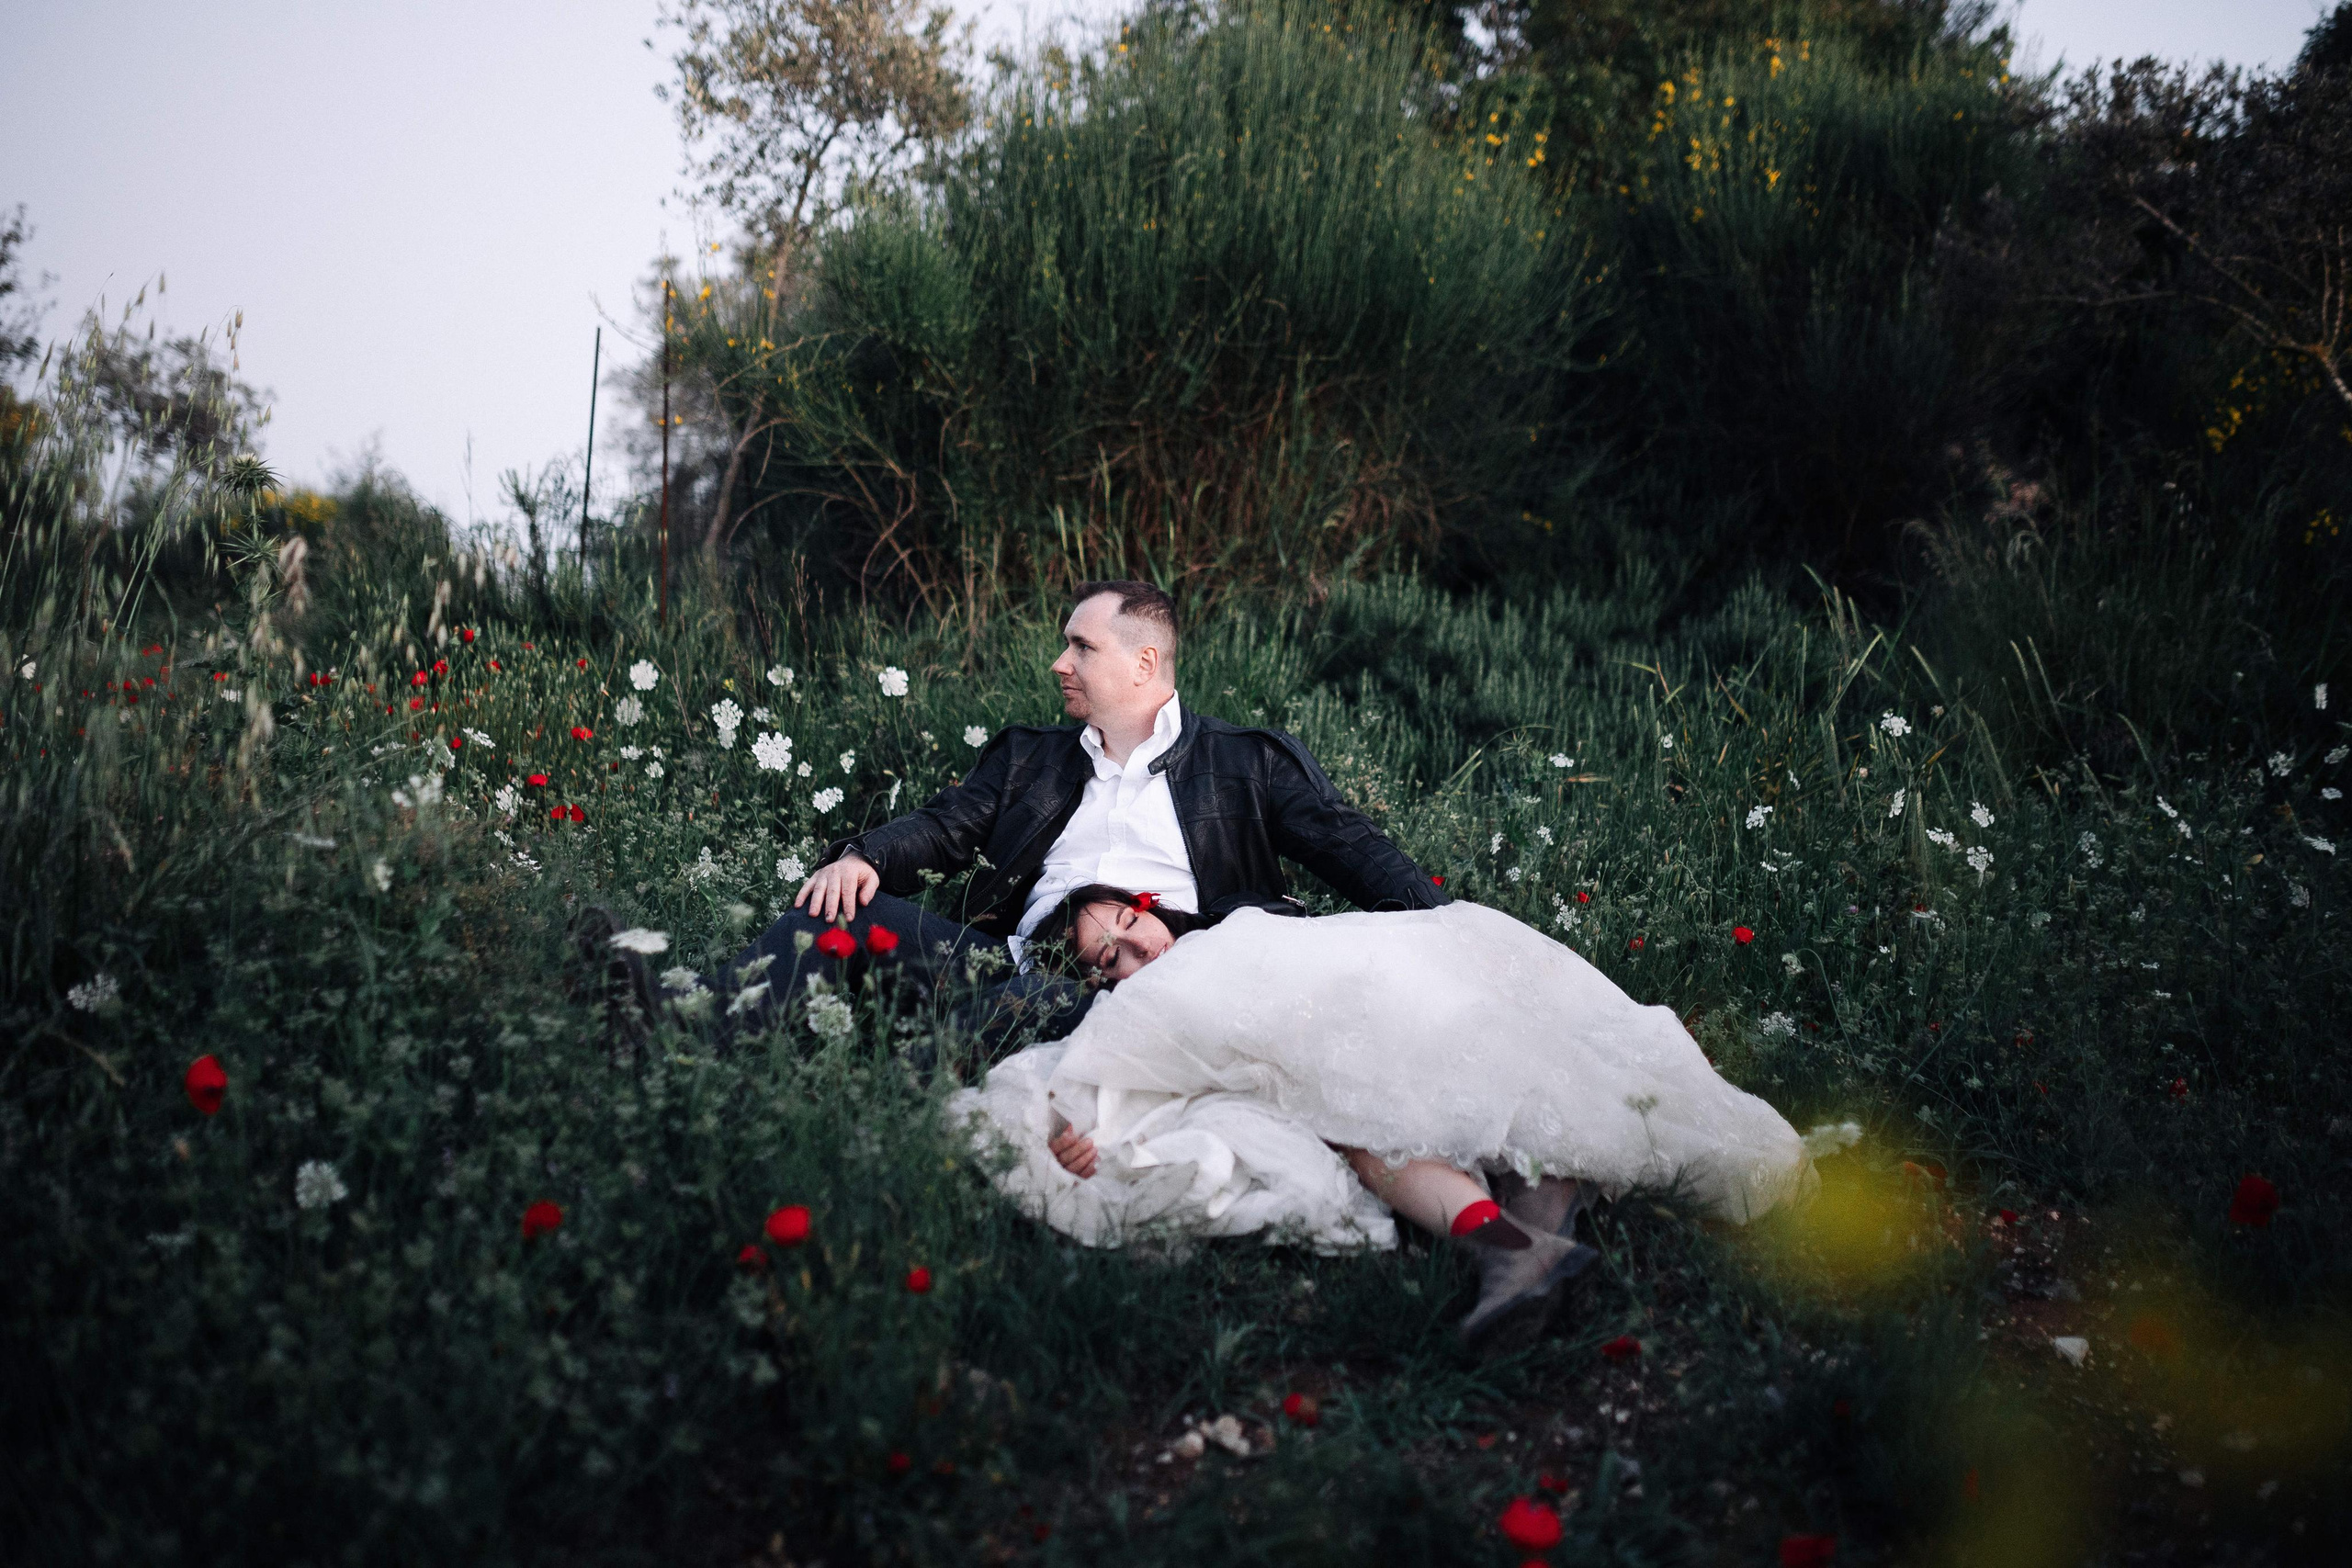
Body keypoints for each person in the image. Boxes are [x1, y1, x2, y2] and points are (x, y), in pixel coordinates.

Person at [950, 887, 1815, 1351]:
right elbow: (1120, 1083)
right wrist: (1080, 1127)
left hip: (1381, 987)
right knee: (1361, 1122)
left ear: (1151, 906)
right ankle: (1518, 1247)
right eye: (1112, 959)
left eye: (1133, 924)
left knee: (1465, 1073)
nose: (1139, 953)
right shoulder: (1143, 1016)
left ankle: (1524, 1249)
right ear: (1096, 980)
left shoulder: (1240, 927)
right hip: (1333, 1055)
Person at [702, 580, 1446, 1043]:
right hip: (1003, 963)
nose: (1060, 663)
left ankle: (920, 1069)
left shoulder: (1244, 762)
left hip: (1155, 981)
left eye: (1080, 647)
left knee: (1038, 1005)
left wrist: (1446, 930)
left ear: (1143, 663)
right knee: (834, 913)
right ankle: (681, 1030)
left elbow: (1353, 849)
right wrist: (862, 854)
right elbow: (944, 826)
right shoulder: (1032, 756)